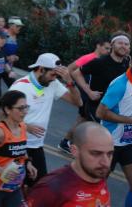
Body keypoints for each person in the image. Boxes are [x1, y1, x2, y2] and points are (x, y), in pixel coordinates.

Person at [8, 53, 82, 185]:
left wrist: (70, 82)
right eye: (52, 74)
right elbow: (3, 117)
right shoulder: (20, 86)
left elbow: (78, 102)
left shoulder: (52, 83)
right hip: (15, 145)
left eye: (57, 75)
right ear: (41, 69)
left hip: (36, 146)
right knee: (10, 188)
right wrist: (27, 127)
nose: (54, 79)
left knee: (38, 188)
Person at [96, 48, 132, 206]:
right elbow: (100, 113)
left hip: (128, 143)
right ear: (130, 61)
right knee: (94, 188)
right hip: (109, 143)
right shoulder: (120, 84)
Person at [26, 122, 113, 206]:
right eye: (96, 153)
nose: (105, 162)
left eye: (109, 154)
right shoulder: (51, 188)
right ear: (75, 151)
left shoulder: (98, 173)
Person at [58, 37, 112, 154]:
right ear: (98, 46)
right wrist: (77, 86)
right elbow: (70, 69)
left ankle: (67, 142)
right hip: (86, 96)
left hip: (92, 97)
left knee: (83, 120)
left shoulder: (102, 60)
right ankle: (70, 143)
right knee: (86, 120)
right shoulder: (89, 58)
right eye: (106, 48)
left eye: (110, 49)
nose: (108, 51)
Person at [72, 32, 131, 122]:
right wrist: (89, 92)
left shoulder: (127, 64)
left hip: (113, 110)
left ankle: (69, 136)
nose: (123, 46)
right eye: (120, 43)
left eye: (126, 44)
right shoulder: (99, 62)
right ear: (112, 45)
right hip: (95, 107)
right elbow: (76, 73)